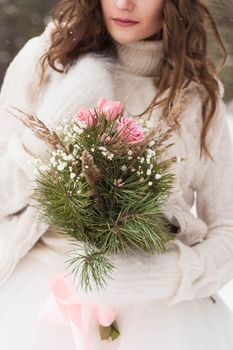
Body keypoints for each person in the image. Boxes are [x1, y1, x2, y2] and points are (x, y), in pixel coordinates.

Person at [0, 0, 233, 349]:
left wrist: (157, 276)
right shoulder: (46, 61)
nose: (125, 4)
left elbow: (226, 229)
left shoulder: (198, 94)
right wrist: (50, 127)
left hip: (164, 320)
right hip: (40, 302)